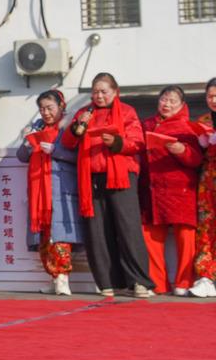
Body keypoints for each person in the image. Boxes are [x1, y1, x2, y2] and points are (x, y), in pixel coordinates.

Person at [60, 73, 153, 298]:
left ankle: (140, 282)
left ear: (115, 91)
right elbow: (68, 142)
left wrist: (117, 143)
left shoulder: (127, 112)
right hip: (91, 177)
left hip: (121, 175)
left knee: (128, 228)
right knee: (97, 231)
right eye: (96, 92)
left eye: (104, 92)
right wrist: (76, 129)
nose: (99, 96)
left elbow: (137, 142)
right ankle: (107, 282)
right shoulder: (84, 113)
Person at [16, 90, 82, 295]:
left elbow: (79, 156)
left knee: (59, 235)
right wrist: (27, 141)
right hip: (38, 190)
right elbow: (21, 156)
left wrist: (56, 151)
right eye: (42, 108)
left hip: (60, 188)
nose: (45, 112)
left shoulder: (70, 128)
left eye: (49, 108)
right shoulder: (37, 128)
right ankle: (53, 277)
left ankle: (63, 277)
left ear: (61, 106)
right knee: (44, 234)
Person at [139, 86, 202, 296]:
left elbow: (196, 159)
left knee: (186, 236)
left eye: (172, 101)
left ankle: (184, 283)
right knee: (150, 237)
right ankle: (157, 283)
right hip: (152, 189)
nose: (166, 104)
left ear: (182, 105)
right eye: (163, 100)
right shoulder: (146, 124)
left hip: (180, 190)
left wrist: (182, 150)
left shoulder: (188, 127)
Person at [191, 78, 216, 297]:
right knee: (206, 228)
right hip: (208, 181)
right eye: (210, 96)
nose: (214, 100)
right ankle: (205, 276)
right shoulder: (203, 121)